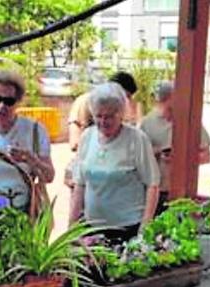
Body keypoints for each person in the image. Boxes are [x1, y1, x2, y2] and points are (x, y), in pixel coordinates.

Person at [68, 82, 159, 245]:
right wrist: (71, 229)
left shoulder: (136, 139)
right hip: (92, 228)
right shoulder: (87, 137)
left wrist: (145, 229)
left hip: (128, 228)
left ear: (121, 113)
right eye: (98, 116)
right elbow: (79, 185)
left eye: (109, 116)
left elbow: (152, 184)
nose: (103, 121)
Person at [0, 70, 55, 211]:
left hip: (21, 213)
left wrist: (30, 159)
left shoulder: (35, 130)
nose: (1, 106)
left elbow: (49, 176)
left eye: (9, 101)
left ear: (18, 102)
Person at [139, 80, 210, 215]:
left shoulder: (190, 121)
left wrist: (182, 158)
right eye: (167, 108)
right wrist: (158, 153)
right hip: (155, 191)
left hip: (184, 192)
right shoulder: (146, 124)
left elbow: (206, 156)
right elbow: (138, 159)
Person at [64, 71, 138, 188]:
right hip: (88, 173)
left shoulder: (125, 109)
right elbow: (75, 142)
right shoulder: (84, 102)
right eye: (126, 96)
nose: (126, 101)